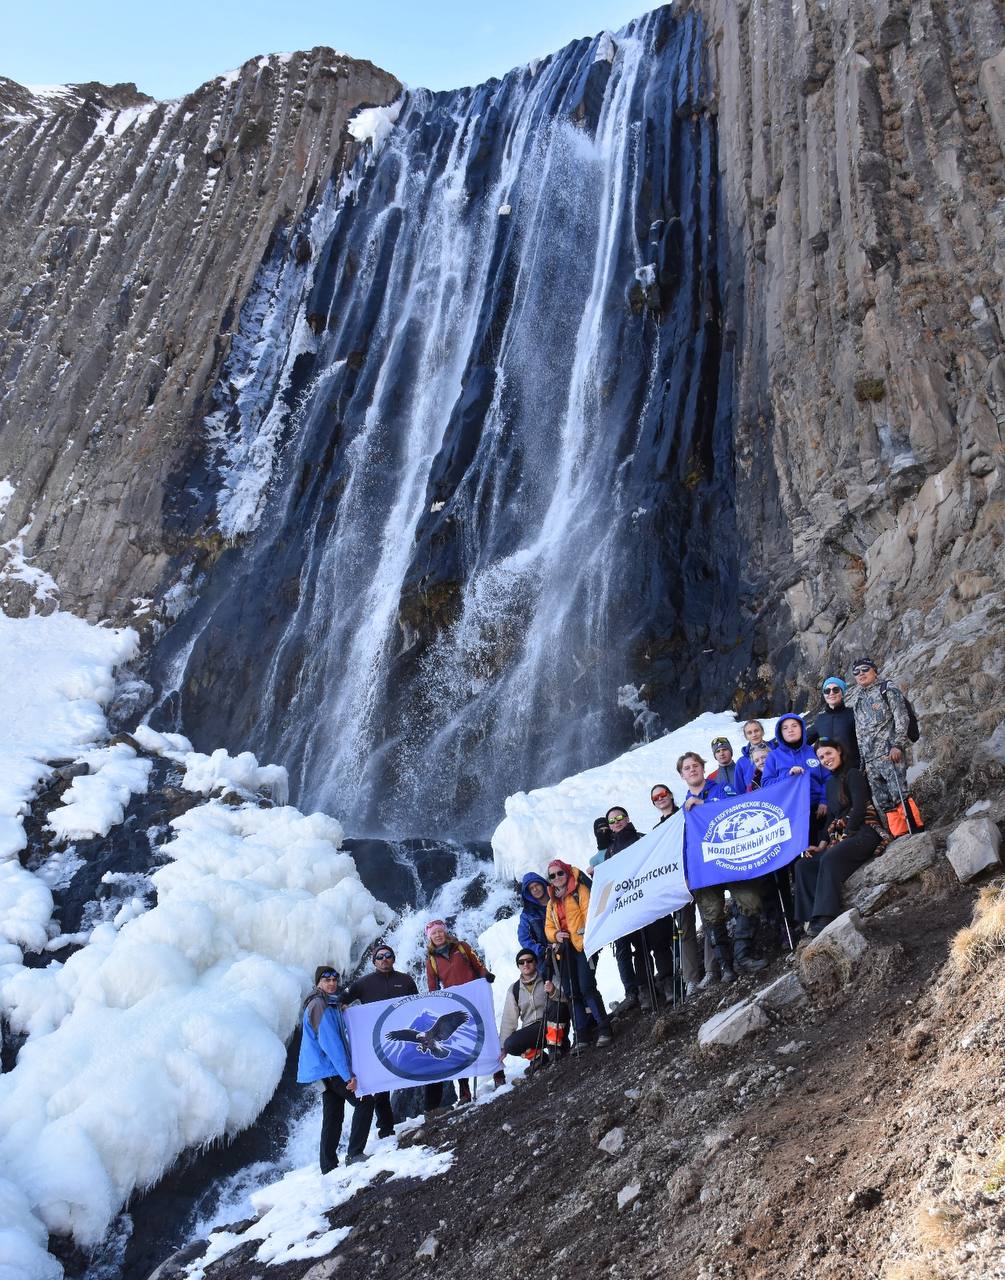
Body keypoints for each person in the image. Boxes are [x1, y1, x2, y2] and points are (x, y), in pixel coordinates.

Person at [677, 752, 766, 980]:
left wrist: (705, 805)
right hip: (704, 870)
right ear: (681, 775)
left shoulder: (722, 788)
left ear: (703, 768)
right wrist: (686, 875)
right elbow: (683, 846)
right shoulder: (682, 813)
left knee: (751, 902)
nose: (692, 770)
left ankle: (742, 954)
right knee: (712, 916)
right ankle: (727, 967)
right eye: (687, 768)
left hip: (730, 860)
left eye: (695, 765)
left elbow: (739, 810)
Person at [794, 738, 886, 936]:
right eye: (821, 757)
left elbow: (860, 807)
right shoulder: (830, 785)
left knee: (830, 857)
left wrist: (848, 833)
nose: (826, 759)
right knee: (804, 865)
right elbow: (832, 819)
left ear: (839, 751)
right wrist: (820, 846)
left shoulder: (853, 774)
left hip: (864, 831)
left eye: (829, 753)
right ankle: (812, 918)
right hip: (844, 835)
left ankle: (827, 916)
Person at [340, 944, 417, 1163]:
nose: (384, 959)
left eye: (388, 956)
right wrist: (344, 1006)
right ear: (374, 961)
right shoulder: (363, 983)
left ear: (393, 958)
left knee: (422, 1069)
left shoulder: (406, 980)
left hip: (404, 1036)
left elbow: (418, 1003)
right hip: (376, 1041)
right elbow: (344, 999)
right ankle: (385, 1129)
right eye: (380, 957)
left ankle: (431, 1110)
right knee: (379, 1086)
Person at [605, 806, 674, 1010]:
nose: (617, 822)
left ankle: (668, 981)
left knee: (660, 943)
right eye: (612, 820)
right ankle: (645, 988)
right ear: (609, 826)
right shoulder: (610, 853)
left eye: (620, 817)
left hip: (652, 901)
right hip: (631, 907)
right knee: (639, 950)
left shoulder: (644, 838)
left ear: (627, 818)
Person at [850, 657, 924, 836]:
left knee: (899, 793)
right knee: (884, 801)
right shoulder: (858, 699)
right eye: (856, 672)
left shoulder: (887, 689)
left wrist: (898, 744)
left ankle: (916, 830)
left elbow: (902, 718)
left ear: (875, 670)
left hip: (889, 753)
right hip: (870, 760)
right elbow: (860, 733)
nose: (861, 674)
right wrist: (863, 762)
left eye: (865, 669)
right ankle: (900, 834)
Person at [424, 921, 492, 1112]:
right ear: (430, 937)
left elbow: (478, 965)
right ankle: (464, 1090)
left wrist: (486, 975)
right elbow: (432, 987)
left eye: (440, 931)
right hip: (455, 1005)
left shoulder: (462, 947)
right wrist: (437, 1004)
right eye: (434, 933)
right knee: (460, 1044)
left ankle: (498, 1073)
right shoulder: (431, 961)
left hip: (476, 998)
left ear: (445, 932)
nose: (438, 935)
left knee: (486, 1035)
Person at [544, 859, 613, 1047]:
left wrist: (581, 935)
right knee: (572, 992)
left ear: (567, 872)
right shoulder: (552, 901)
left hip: (583, 947)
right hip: (565, 951)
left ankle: (604, 1028)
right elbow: (548, 927)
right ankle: (581, 1034)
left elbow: (590, 914)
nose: (557, 878)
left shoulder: (579, 890)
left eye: (560, 873)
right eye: (552, 875)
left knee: (587, 988)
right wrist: (555, 935)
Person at [296, 966, 357, 1174]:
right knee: (365, 1102)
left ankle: (328, 1166)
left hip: (323, 1070)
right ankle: (355, 1154)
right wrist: (348, 1075)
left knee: (333, 1116)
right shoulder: (319, 1005)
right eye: (326, 980)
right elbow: (332, 1045)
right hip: (330, 1069)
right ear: (318, 983)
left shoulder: (327, 1003)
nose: (332, 983)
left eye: (334, 979)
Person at [651, 782, 702, 997]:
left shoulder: (686, 813)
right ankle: (692, 978)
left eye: (663, 794)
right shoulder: (657, 831)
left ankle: (713, 968)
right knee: (686, 930)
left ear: (671, 795)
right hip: (677, 882)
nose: (660, 798)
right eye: (656, 798)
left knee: (709, 920)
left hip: (699, 873)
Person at [498, 949, 568, 1072]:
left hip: (554, 1021)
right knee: (510, 1045)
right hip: (533, 1030)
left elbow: (566, 999)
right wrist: (503, 1047)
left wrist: (553, 992)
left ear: (535, 962)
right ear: (518, 966)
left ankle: (555, 1049)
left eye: (529, 960)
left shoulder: (549, 977)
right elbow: (508, 1020)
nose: (526, 964)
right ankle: (538, 1057)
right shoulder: (514, 989)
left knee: (557, 1006)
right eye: (521, 962)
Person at [760, 714, 830, 835]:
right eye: (785, 728)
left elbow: (828, 777)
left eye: (794, 726)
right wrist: (788, 775)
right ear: (780, 732)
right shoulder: (773, 756)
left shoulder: (813, 751)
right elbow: (766, 784)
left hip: (818, 809)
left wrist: (824, 801)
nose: (790, 730)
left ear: (802, 728)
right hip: (789, 813)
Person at [806, 677, 861, 768]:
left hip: (854, 769)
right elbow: (803, 740)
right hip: (829, 772)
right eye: (827, 691)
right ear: (824, 695)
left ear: (842, 693)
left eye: (835, 690)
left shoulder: (853, 714)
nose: (831, 693)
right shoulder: (820, 719)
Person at [517, 873, 551, 961]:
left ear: (543, 884)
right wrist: (541, 951)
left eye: (537, 885)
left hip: (567, 948)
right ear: (528, 892)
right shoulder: (527, 914)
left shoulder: (558, 902)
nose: (535, 889)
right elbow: (523, 937)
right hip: (545, 958)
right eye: (531, 888)